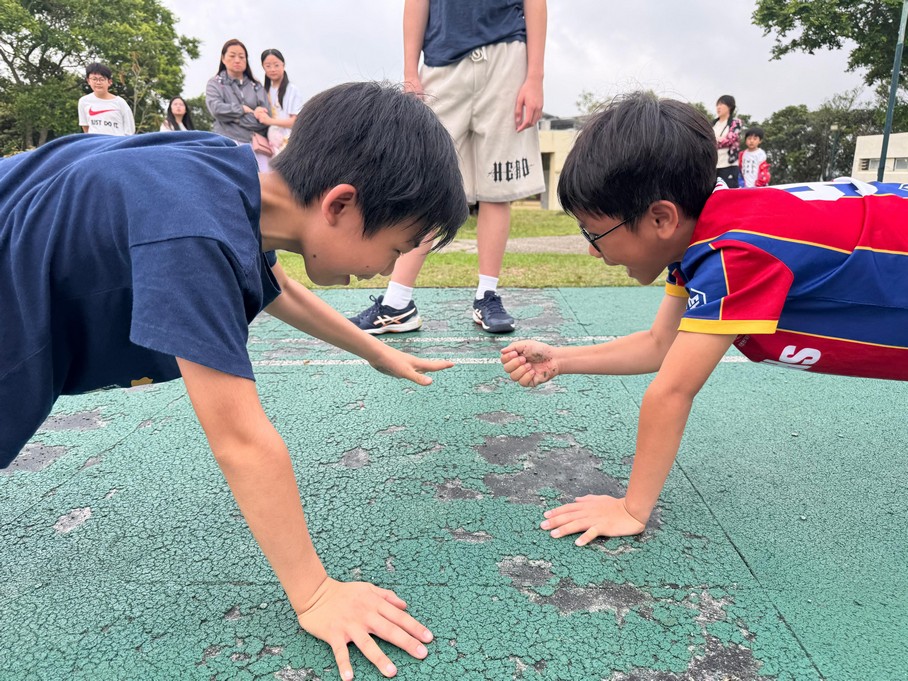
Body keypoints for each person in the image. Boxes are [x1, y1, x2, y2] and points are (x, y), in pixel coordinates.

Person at [1, 82, 468, 680]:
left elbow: (275, 283)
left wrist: (373, 350)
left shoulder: (230, 176)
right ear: (340, 205)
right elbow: (241, 441)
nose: (386, 269)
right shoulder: (194, 232)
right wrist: (316, 594)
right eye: (395, 247)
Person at [500, 91, 908, 545]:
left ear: (661, 218)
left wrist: (631, 508)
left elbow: (672, 390)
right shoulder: (706, 230)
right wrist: (560, 359)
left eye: (595, 233)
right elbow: (660, 343)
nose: (592, 250)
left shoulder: (734, 252)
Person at [348, 0, 547, 335]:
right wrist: (410, 73)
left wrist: (535, 77)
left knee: (497, 190)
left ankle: (487, 294)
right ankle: (397, 302)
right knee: (427, 186)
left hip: (507, 58)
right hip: (442, 62)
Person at [205, 38, 271, 171]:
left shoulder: (256, 85)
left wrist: (233, 118)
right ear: (223, 59)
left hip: (256, 145)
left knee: (263, 181)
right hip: (226, 142)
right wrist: (242, 110)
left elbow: (265, 119)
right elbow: (216, 110)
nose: (237, 60)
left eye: (242, 57)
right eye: (232, 56)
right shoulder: (215, 83)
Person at [255, 48, 304, 156]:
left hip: (288, 142)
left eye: (276, 65)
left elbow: (294, 122)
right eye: (268, 66)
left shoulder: (292, 90)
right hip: (269, 145)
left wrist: (270, 121)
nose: (272, 69)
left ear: (283, 64)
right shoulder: (263, 92)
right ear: (263, 67)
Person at [77, 62, 135, 136]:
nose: (98, 82)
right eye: (94, 79)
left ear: (109, 82)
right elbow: (86, 128)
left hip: (117, 142)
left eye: (102, 79)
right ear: (88, 81)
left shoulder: (120, 102)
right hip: (96, 142)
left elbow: (130, 130)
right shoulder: (84, 101)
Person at [713, 94, 741, 188]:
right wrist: (719, 139)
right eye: (717, 105)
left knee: (730, 192)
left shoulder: (735, 122)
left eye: (721, 104)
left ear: (730, 107)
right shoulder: (713, 124)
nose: (718, 107)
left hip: (729, 165)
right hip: (714, 165)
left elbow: (730, 140)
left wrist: (714, 140)